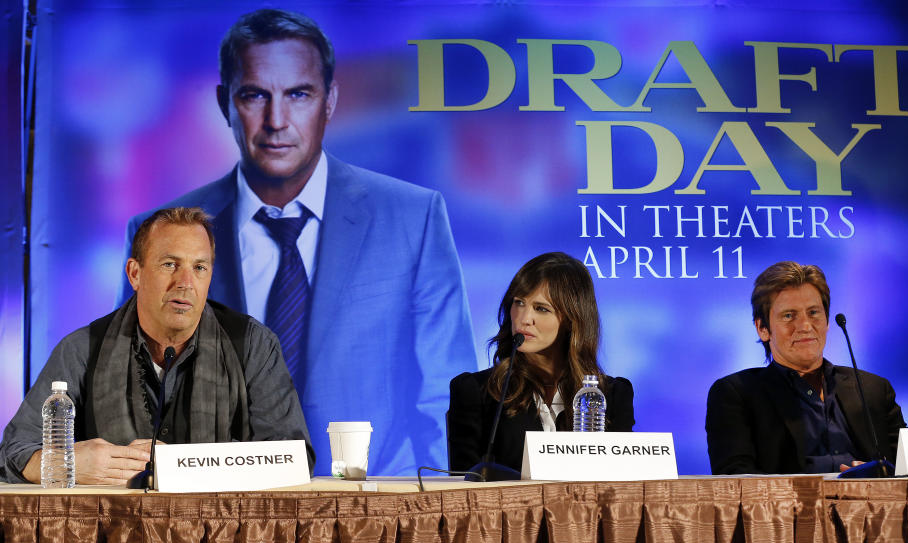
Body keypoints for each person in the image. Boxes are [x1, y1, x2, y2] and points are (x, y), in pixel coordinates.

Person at [117, 9, 476, 476]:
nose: (276, 120)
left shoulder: (413, 217)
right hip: (215, 508)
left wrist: (445, 512)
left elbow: (444, 394)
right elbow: (131, 390)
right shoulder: (158, 231)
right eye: (254, 95)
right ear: (226, 102)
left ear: (329, 101)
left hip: (374, 507)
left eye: (298, 94)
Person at [0, 208, 313, 484]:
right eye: (169, 264)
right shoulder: (83, 348)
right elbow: (13, 452)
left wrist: (187, 467)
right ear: (135, 274)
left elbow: (294, 458)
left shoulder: (252, 344)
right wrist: (63, 462)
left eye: (199, 268)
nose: (185, 282)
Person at [705, 261, 906, 475]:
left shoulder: (873, 389)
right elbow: (735, 483)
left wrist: (876, 473)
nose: (805, 326)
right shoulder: (736, 395)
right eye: (789, 315)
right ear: (763, 329)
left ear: (827, 322)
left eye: (813, 313)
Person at [447, 252, 634, 473]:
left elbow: (623, 486)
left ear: (573, 320)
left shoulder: (612, 395)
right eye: (519, 303)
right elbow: (461, 489)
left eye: (541, 308)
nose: (524, 319)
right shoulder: (475, 391)